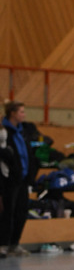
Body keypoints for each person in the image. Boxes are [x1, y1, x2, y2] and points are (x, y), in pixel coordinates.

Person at [0, 101, 33, 257]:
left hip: (23, 177)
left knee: (21, 212)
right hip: (8, 178)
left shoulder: (23, 131)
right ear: (13, 113)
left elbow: (27, 153)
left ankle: (15, 243)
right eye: (21, 112)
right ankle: (3, 243)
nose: (23, 115)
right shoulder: (4, 130)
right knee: (8, 212)